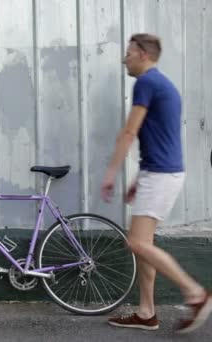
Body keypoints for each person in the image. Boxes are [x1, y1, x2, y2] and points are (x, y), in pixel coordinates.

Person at [100, 33, 211, 334]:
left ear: (143, 54)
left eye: (129, 53)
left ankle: (195, 294)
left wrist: (111, 174)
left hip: (161, 175)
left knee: (135, 242)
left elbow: (128, 132)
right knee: (143, 244)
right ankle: (147, 312)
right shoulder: (163, 84)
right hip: (159, 172)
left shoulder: (146, 83)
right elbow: (162, 139)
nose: (125, 59)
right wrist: (139, 178)